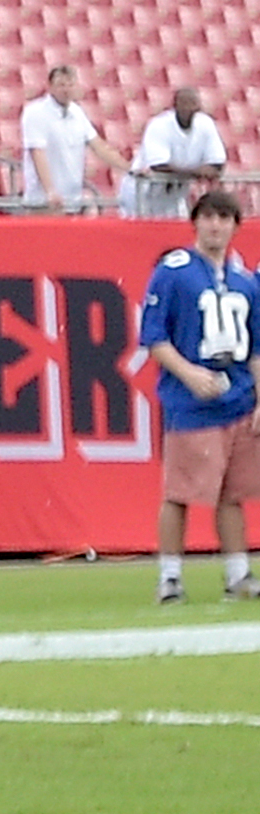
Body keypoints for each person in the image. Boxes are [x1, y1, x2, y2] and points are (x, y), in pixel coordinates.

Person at [136, 187, 260, 605]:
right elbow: (153, 336)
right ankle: (169, 577)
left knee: (233, 493)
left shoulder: (246, 280)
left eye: (225, 219)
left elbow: (255, 348)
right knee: (180, 492)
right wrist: (189, 375)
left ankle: (238, 574)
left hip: (238, 398)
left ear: (236, 227)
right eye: (208, 217)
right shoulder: (174, 270)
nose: (216, 226)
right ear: (195, 222)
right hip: (191, 403)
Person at [20, 65, 130, 215]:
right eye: (61, 85)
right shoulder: (35, 112)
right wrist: (50, 190)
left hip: (73, 201)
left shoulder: (77, 112)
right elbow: (37, 153)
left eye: (70, 85)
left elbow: (98, 146)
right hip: (44, 202)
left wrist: (129, 168)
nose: (66, 90)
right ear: (51, 87)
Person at [128, 87, 229, 222]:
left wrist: (209, 169)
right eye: (185, 103)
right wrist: (196, 172)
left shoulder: (206, 124)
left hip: (176, 195)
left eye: (193, 103)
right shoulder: (159, 125)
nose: (189, 108)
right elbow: (158, 165)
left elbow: (217, 162)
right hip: (143, 193)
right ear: (175, 105)